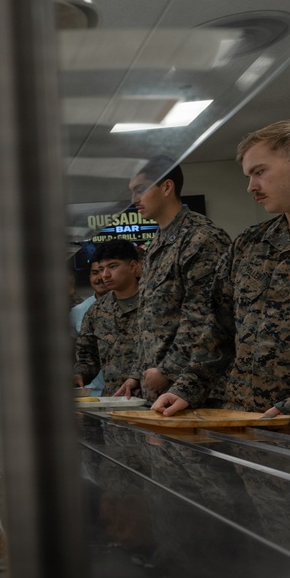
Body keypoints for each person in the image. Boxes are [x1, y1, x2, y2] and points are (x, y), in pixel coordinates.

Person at [154, 120, 290, 445]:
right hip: (247, 435)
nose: (250, 187)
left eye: (259, 172)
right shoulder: (249, 244)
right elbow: (219, 329)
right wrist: (188, 387)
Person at [114, 156, 231, 401]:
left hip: (196, 390)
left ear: (167, 187)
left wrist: (169, 369)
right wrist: (137, 375)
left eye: (140, 190)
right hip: (159, 387)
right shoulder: (157, 242)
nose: (134, 200)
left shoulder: (201, 238)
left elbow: (205, 317)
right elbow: (151, 319)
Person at [73, 240, 141, 396]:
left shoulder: (157, 301)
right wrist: (79, 375)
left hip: (155, 399)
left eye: (113, 266)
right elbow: (88, 356)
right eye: (101, 269)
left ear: (132, 266)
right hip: (114, 400)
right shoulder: (96, 310)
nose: (105, 275)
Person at [69, 259, 108, 396]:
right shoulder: (79, 311)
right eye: (95, 273)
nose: (100, 277)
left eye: (103, 272)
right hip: (92, 392)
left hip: (130, 392)